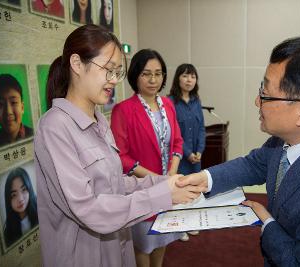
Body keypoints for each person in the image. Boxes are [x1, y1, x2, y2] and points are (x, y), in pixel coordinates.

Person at [177, 35, 300, 266]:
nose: (256, 101)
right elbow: (257, 163)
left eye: (266, 94)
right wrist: (206, 178)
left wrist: (268, 223)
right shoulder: (298, 134)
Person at [34, 25, 201, 266]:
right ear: (77, 64)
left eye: (117, 72)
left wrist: (164, 182)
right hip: (83, 256)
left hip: (116, 249)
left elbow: (114, 183)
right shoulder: (54, 127)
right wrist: (163, 195)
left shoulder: (99, 120)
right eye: (108, 70)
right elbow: (88, 208)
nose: (113, 80)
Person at [111, 49, 183, 267]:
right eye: (146, 74)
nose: (153, 80)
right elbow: (120, 157)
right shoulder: (123, 110)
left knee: (161, 238)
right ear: (135, 75)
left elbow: (177, 142)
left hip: (167, 186)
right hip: (141, 188)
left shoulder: (168, 105)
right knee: (143, 244)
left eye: (158, 73)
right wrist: (155, 178)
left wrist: (171, 171)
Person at [168, 63, 205, 241]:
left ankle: (190, 223)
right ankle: (179, 227)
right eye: (185, 76)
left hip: (196, 157)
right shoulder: (170, 102)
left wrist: (199, 150)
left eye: (192, 76)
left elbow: (201, 130)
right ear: (177, 78)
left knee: (194, 191)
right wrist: (188, 152)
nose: (189, 80)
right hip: (180, 157)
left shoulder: (197, 101)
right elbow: (174, 133)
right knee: (179, 190)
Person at [0, 74, 33, 149]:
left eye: (13, 102)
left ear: (22, 107)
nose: (8, 112)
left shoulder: (35, 135)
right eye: (1, 104)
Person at [3, 167, 38, 247]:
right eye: (14, 195)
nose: (20, 199)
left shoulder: (41, 211)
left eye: (24, 189)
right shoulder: (8, 232)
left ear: (29, 189)